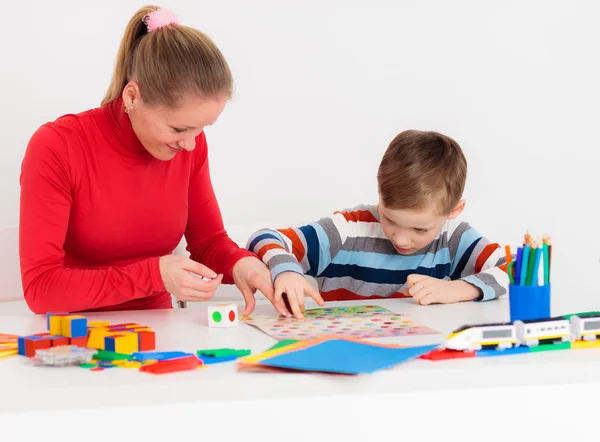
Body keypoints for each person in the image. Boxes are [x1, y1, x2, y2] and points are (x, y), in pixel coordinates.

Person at [18, 6, 286, 316]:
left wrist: (243, 264)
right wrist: (154, 275)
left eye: (202, 129)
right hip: (73, 333)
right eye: (178, 128)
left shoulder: (190, 144)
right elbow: (41, 288)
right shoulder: (57, 146)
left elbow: (208, 243)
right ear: (132, 97)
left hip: (161, 329)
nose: (190, 144)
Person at [246, 130, 510, 319]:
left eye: (420, 229)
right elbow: (264, 238)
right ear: (379, 196)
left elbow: (519, 270)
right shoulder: (349, 229)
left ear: (454, 210)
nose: (401, 239)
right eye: (390, 219)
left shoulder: (453, 238)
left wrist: (459, 289)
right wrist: (288, 271)